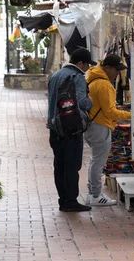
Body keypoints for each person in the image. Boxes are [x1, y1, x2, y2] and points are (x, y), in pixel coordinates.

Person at [47, 48, 96, 212]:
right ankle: (71, 201)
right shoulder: (77, 77)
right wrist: (91, 102)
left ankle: (63, 200)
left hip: (55, 128)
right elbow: (82, 102)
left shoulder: (55, 75)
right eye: (87, 65)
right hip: (71, 129)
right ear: (80, 63)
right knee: (72, 165)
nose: (88, 68)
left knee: (59, 166)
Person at [85, 54, 132, 206]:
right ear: (107, 68)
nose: (118, 73)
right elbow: (110, 112)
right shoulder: (104, 85)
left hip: (92, 125)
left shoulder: (92, 78)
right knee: (98, 163)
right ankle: (96, 195)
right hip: (100, 126)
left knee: (94, 161)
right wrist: (132, 114)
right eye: (116, 70)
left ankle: (92, 194)